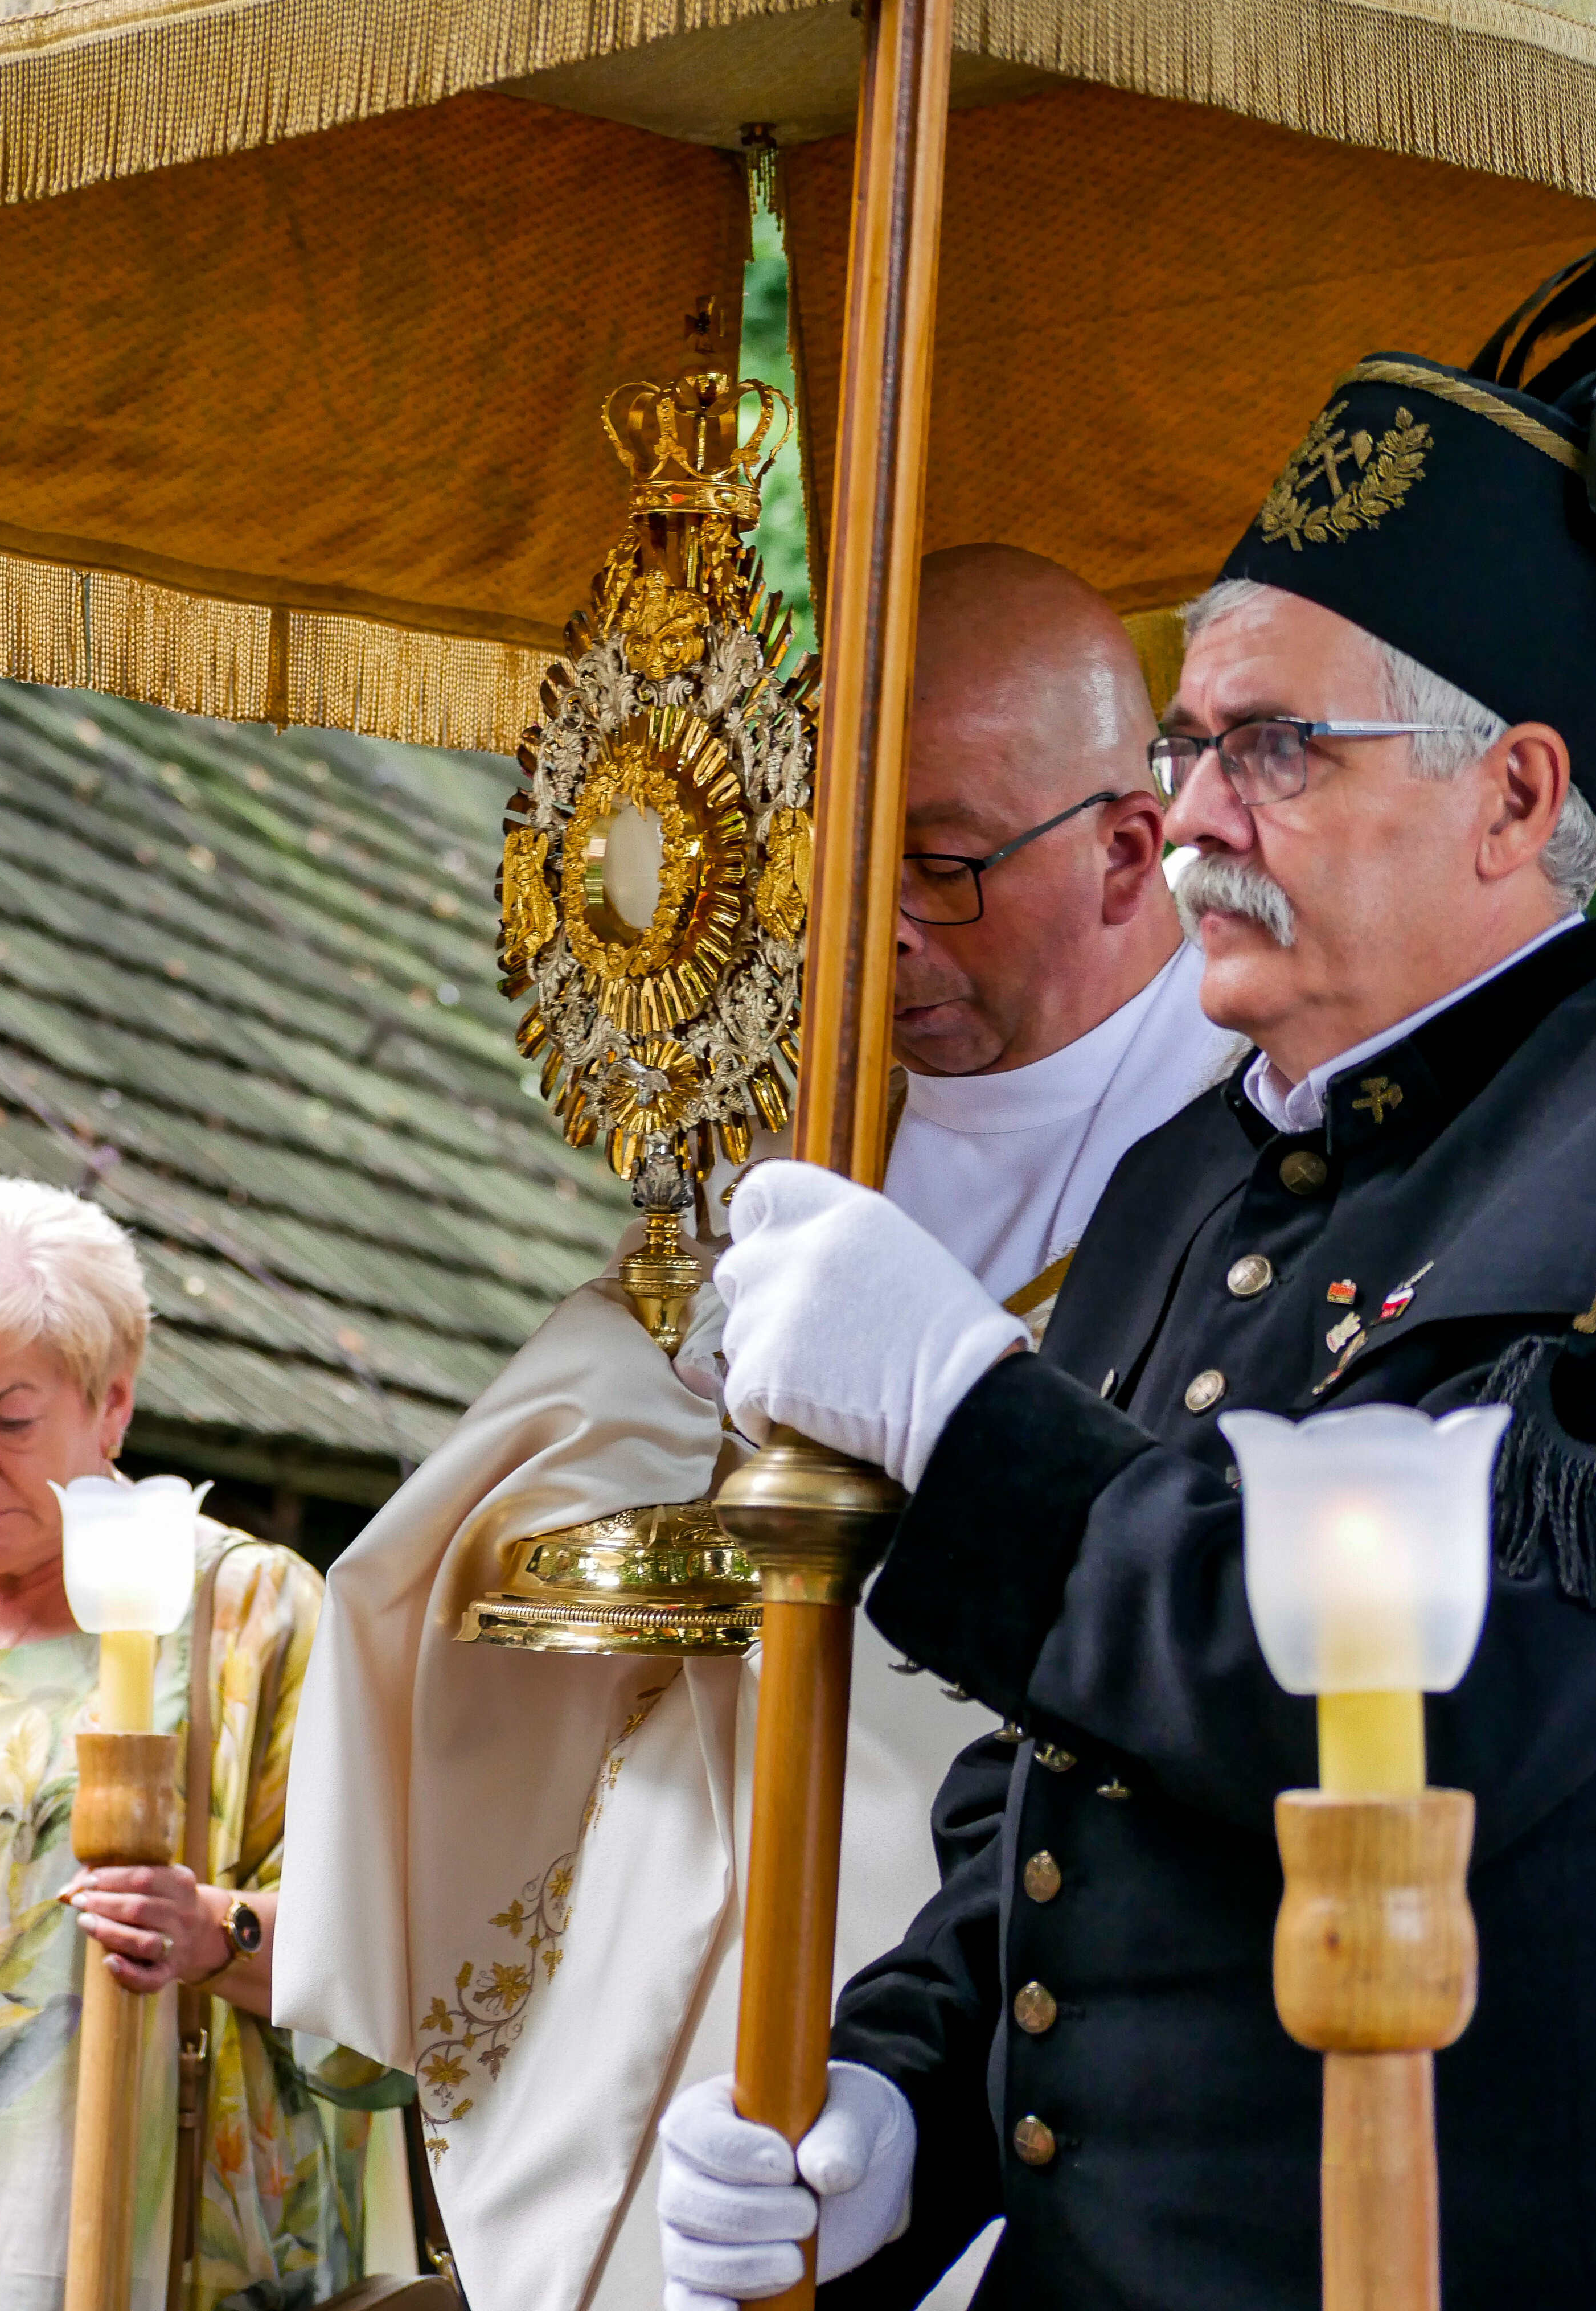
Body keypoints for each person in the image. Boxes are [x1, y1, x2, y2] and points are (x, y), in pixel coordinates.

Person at [662, 177, 1596, 2311]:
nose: (1183, 814)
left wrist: (965, 1416)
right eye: (1179, 744)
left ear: (1511, 798)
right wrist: (895, 2101)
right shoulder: (1186, 1166)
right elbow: (1061, 1782)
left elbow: (1435, 1700)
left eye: (1270, 747)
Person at [274, 547, 1238, 2311]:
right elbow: (555, 1508)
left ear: (1124, 844)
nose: (883, 943)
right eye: (842, 869)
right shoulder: (819, 1115)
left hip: (1002, 1960)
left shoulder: (1255, 1142)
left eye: (942, 866)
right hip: (687, 1925)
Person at [0, 1175, 365, 2311]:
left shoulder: (249, 1612)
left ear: (110, 1403)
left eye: (6, 1419)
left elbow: (401, 1971)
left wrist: (216, 1929)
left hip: (152, 2263)